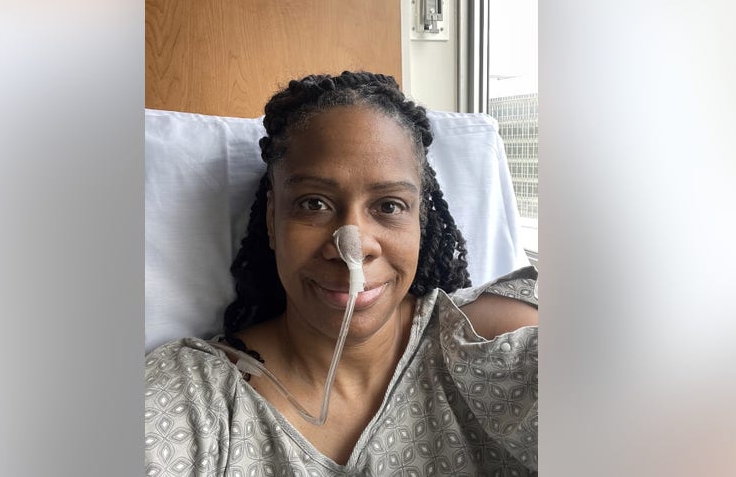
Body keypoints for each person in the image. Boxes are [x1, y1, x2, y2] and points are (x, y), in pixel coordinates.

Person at [145, 71, 538, 475]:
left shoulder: (486, 337)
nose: (352, 246)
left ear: (421, 221)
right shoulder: (195, 398)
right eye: (314, 204)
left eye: (389, 206)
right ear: (271, 220)